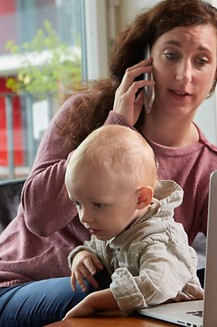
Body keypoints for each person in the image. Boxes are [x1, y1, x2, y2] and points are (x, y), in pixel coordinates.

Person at [0, 0, 217, 325]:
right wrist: (115, 126)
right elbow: (39, 217)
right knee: (120, 291)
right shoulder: (84, 113)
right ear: (146, 59)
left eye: (201, 61)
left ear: (215, 75)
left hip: (113, 295)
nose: (183, 74)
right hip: (7, 293)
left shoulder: (210, 167)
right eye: (171, 54)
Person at [62, 124, 203, 318]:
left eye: (98, 205)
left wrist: (93, 302)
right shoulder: (115, 225)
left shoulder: (159, 238)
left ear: (141, 199)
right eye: (78, 203)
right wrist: (82, 255)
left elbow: (156, 285)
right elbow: (96, 247)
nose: (84, 217)